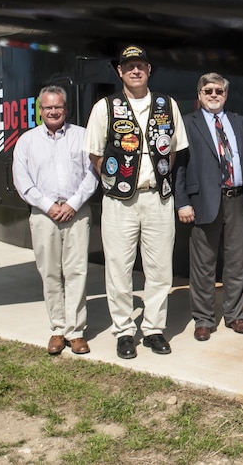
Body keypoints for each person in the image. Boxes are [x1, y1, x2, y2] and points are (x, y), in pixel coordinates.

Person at [84, 45, 188, 359]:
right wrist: (115, 180)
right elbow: (95, 152)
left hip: (157, 197)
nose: (135, 71)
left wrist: (158, 174)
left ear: (149, 69)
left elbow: (173, 149)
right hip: (120, 201)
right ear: (120, 71)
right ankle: (124, 331)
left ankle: (154, 329)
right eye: (129, 66)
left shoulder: (166, 105)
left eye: (140, 65)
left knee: (159, 269)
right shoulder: (105, 107)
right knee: (118, 268)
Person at [12, 85, 97, 355]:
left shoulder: (82, 136)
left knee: (76, 272)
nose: (53, 111)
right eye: (48, 107)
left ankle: (77, 332)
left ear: (66, 108)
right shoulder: (27, 141)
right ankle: (58, 330)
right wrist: (49, 206)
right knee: (49, 273)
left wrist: (72, 204)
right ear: (40, 110)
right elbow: (22, 180)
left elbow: (92, 175)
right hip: (43, 215)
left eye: (58, 106)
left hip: (77, 211)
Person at [175, 72, 243, 341]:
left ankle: (234, 315)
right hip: (203, 202)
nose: (213, 95)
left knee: (236, 261)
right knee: (203, 265)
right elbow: (179, 167)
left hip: (237, 199)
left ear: (226, 94)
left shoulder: (240, 123)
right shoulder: (187, 123)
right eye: (208, 91)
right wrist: (182, 202)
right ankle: (204, 319)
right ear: (199, 95)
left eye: (218, 91)